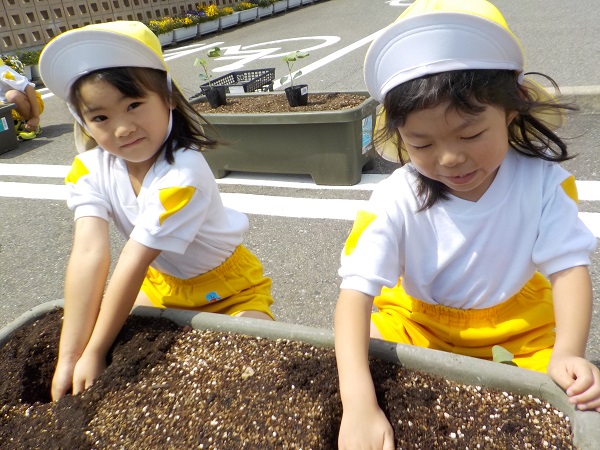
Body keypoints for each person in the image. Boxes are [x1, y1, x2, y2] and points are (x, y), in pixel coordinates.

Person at [334, 0, 600, 448]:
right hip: (420, 321)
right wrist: (358, 403)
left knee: (576, 399)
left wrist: (569, 352)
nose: (450, 158)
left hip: (520, 326)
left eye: (471, 135)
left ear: (511, 112)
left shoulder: (543, 185)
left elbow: (569, 270)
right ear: (400, 136)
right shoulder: (395, 196)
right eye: (422, 142)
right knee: (356, 357)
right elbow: (355, 296)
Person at [38, 21, 275, 402]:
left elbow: (132, 259)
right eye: (100, 117)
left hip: (229, 288)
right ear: (84, 121)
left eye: (133, 104)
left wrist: (95, 351)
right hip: (160, 283)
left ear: (168, 97)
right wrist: (71, 356)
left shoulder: (184, 174)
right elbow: (88, 253)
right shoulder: (90, 168)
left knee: (249, 361)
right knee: (126, 348)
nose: (122, 128)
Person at [0, 59, 43, 140]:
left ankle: (32, 124)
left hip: (30, 103)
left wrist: (35, 117)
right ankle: (17, 125)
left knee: (12, 95)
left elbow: (29, 88)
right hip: (10, 109)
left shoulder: (3, 72)